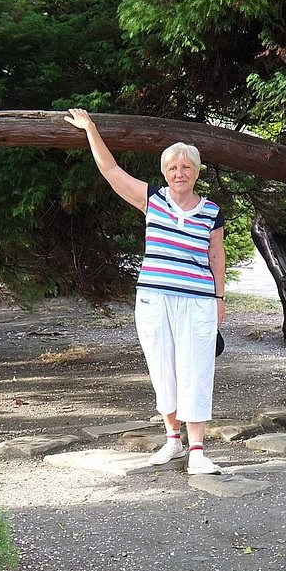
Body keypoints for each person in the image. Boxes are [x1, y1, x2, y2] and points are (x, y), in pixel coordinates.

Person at [64, 108, 226, 475]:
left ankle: (197, 450)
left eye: (186, 167)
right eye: (172, 168)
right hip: (154, 299)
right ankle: (172, 440)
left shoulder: (212, 211)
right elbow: (111, 171)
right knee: (162, 367)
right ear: (164, 172)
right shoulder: (152, 200)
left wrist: (219, 298)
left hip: (198, 300)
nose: (179, 173)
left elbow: (216, 255)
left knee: (196, 370)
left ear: (196, 172)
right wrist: (90, 129)